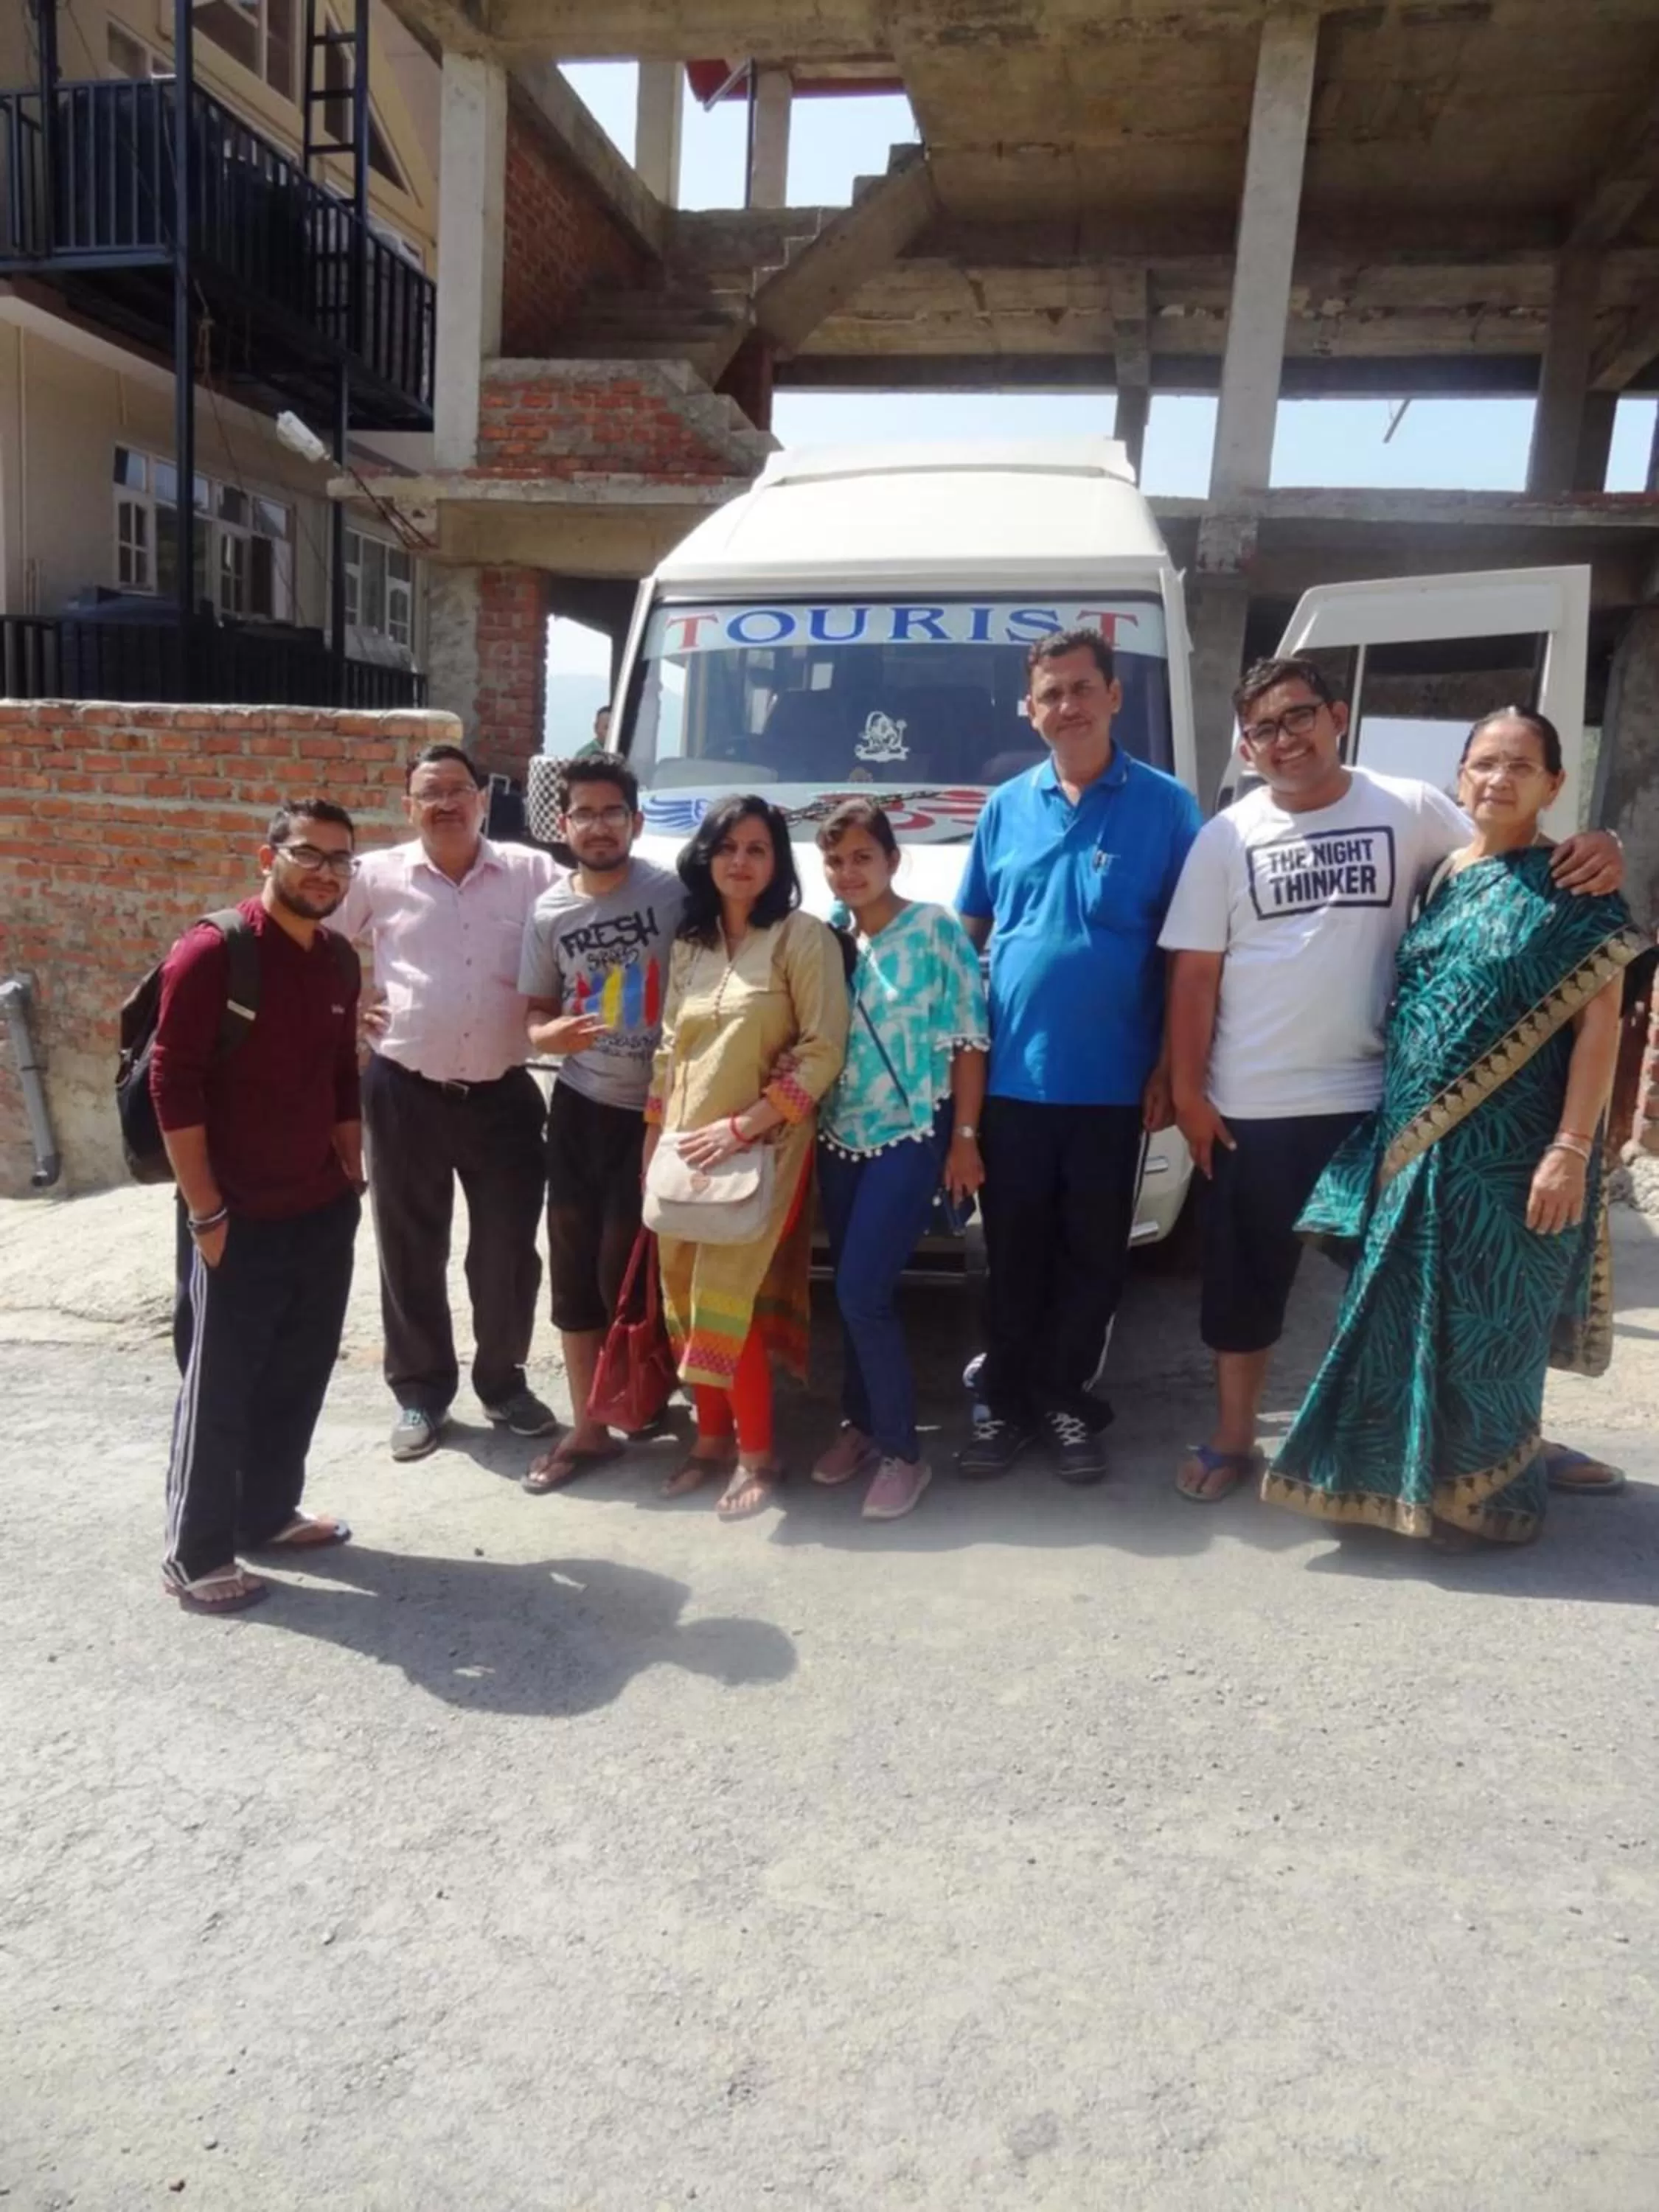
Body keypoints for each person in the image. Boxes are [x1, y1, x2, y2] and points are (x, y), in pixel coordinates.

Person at [1161, 658, 1627, 1502]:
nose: (1285, 738)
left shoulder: (1408, 807)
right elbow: (1194, 976)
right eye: (1264, 728)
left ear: (1336, 716)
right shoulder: (1225, 837)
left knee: (1438, 1285)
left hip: (1381, 1105)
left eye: (1299, 716)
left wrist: (1601, 845)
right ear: (1246, 746)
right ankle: (1233, 1437)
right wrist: (1190, 1094)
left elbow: (1508, 853)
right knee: (1244, 1276)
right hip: (1254, 1105)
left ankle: (1506, 1440)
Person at [1265, 709, 1644, 1548]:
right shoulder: (1439, 874)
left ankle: (1485, 1501)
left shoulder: (1577, 884)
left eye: (1520, 766)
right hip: (1414, 1146)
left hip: (1514, 1155)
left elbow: (1600, 1028)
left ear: (1555, 783)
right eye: (1484, 764)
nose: (1498, 780)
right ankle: (1385, 1484)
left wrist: (1571, 1149)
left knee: (1490, 1331)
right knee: (1396, 1317)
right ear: (1460, 775)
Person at [956, 627, 1201, 1484]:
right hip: (1012, 1083)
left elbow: (1189, 952)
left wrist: (1170, 1066)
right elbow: (966, 935)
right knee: (1012, 1257)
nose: (1068, 706)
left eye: (1082, 688)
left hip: (1115, 1089)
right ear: (1031, 710)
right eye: (1051, 693)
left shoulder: (1168, 808)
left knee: (1093, 1261)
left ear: (1114, 696)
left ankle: (1064, 1402)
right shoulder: (1004, 807)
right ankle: (1003, 1405)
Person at [151, 800, 364, 1613]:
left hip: (319, 1206)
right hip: (235, 1214)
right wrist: (205, 1210)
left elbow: (340, 1071)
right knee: (220, 1388)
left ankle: (267, 1512)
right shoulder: (216, 952)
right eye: (310, 854)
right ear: (268, 856)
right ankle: (195, 1555)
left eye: (341, 859)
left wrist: (351, 1172)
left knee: (299, 1372)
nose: (326, 872)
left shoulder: (338, 958)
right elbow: (173, 1081)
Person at [337, 742, 560, 1461]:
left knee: (507, 1254)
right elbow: (313, 942)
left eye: (458, 789)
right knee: (410, 1249)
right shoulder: (376, 875)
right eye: (429, 793)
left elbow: (592, 914)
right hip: (404, 1091)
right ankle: (421, 1393)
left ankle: (503, 1382)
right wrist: (347, 1008)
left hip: (504, 1097)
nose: (445, 804)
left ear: (483, 800)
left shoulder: (530, 873)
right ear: (409, 807)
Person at [644, 795, 849, 1521]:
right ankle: (708, 1442)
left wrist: (745, 1126)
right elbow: (669, 1053)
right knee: (682, 1293)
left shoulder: (802, 938)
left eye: (757, 849)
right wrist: (653, 1147)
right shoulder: (692, 944)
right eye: (728, 847)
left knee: (728, 1297)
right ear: (706, 857)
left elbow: (824, 1050)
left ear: (777, 862)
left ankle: (758, 1455)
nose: (741, 861)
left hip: (764, 1148)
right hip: (684, 1151)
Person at [810, 801, 989, 1520]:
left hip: (911, 1135)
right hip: (837, 1138)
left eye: (862, 857)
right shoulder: (829, 936)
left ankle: (903, 1454)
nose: (848, 872)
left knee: (863, 1292)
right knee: (853, 1293)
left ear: (892, 859)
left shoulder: (936, 929)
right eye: (835, 860)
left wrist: (965, 1138)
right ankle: (860, 1424)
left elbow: (968, 1041)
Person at [518, 756, 684, 1491]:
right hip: (582, 1106)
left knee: (633, 1264)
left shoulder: (675, 894)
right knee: (574, 1263)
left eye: (611, 811)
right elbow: (535, 1013)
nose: (597, 826)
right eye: (583, 813)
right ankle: (589, 1427)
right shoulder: (549, 911)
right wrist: (548, 1036)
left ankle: (649, 1398)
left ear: (636, 821)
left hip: (662, 1111)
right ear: (563, 825)